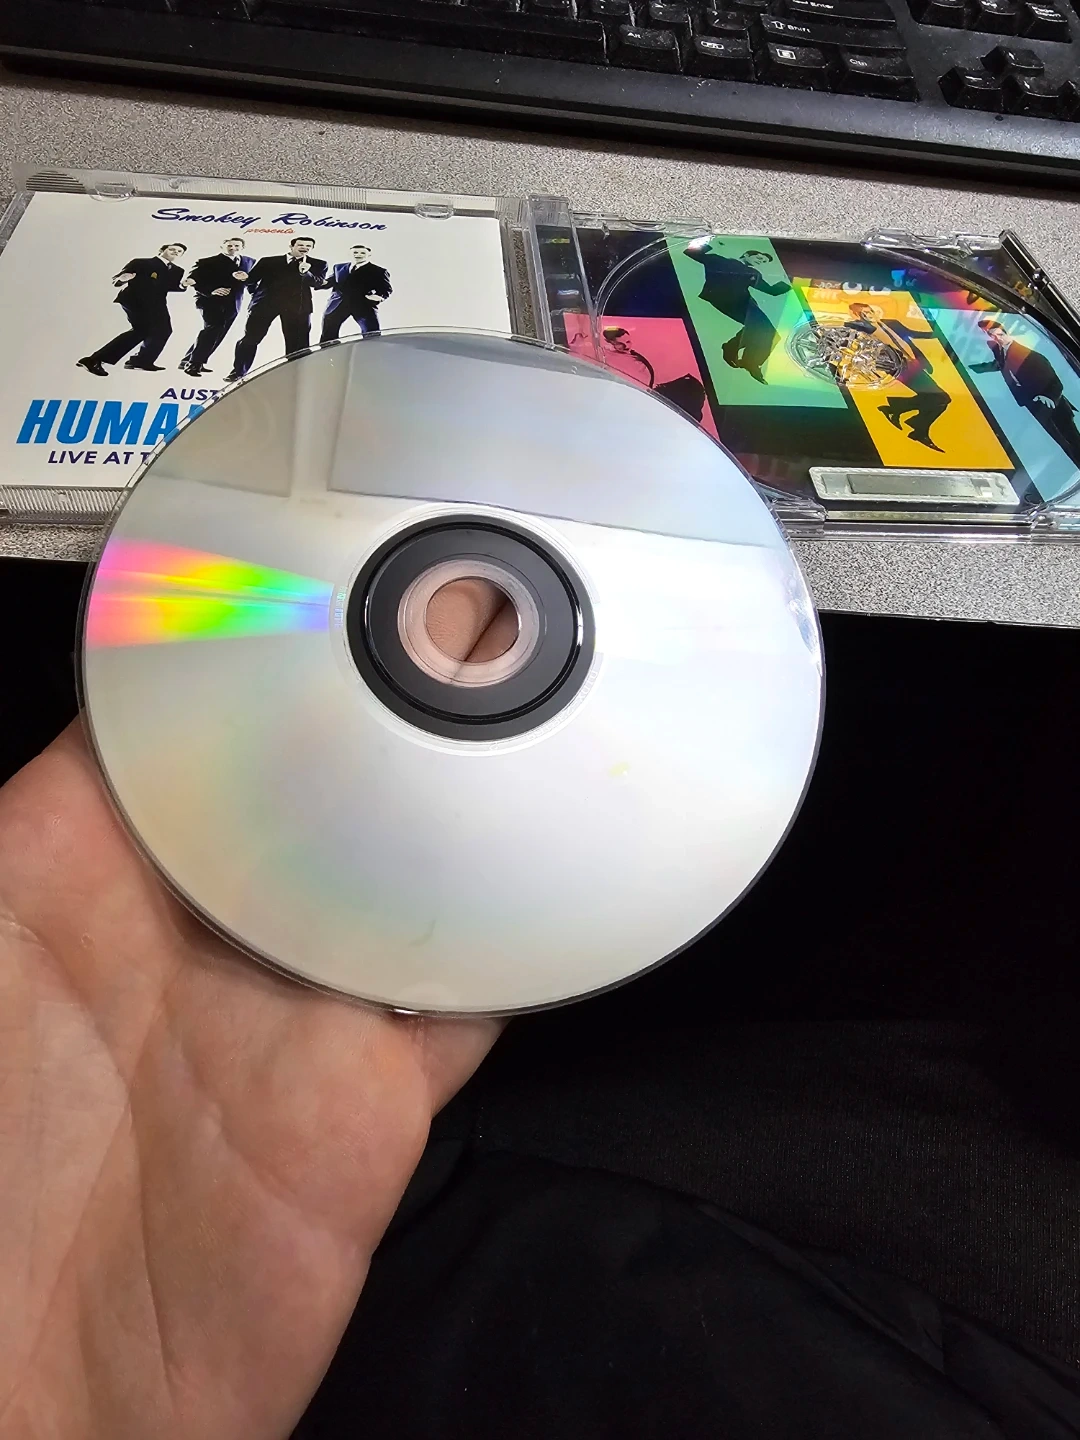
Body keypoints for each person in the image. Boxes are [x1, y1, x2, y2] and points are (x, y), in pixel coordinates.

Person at [972, 316, 1080, 471]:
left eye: (1000, 335)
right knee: (1061, 443)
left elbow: (1055, 382)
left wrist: (1048, 396)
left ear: (1006, 332)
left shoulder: (1029, 355)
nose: (997, 339)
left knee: (1073, 440)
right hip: (1035, 406)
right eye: (993, 336)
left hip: (1054, 406)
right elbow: (1001, 365)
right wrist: (977, 368)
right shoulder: (1001, 351)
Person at [848, 301, 951, 453]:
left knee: (936, 398)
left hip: (913, 363)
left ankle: (898, 411)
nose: (870, 315)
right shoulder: (861, 329)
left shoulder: (891, 323)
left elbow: (911, 334)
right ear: (857, 316)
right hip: (899, 366)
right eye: (865, 313)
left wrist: (936, 333)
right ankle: (912, 423)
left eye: (870, 311)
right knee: (941, 398)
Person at [682, 240, 790, 384]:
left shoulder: (753, 273)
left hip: (746, 304)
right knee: (762, 330)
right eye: (759, 258)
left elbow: (771, 291)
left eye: (763, 261)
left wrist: (789, 282)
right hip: (722, 300)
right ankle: (741, 355)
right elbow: (690, 253)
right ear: (747, 255)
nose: (760, 261)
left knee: (769, 334)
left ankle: (747, 360)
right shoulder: (718, 260)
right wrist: (709, 241)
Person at [225, 237, 328, 382]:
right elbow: (252, 279)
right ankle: (238, 373)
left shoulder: (319, 263)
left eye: (308, 246)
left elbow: (318, 283)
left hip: (298, 307)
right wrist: (244, 278)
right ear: (291, 246)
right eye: (301, 245)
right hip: (264, 304)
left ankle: (296, 375)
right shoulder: (268, 261)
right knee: (251, 338)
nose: (304, 247)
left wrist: (305, 273)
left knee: (298, 343)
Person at [77, 242, 188, 376]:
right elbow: (118, 279)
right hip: (135, 300)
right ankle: (93, 360)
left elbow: (170, 286)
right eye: (172, 249)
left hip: (157, 303)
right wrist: (122, 279)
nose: (176, 252)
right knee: (141, 330)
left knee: (164, 331)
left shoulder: (178, 270)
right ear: (162, 250)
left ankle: (141, 361)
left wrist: (183, 285)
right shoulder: (141, 262)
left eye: (179, 251)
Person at [179, 237, 255, 378]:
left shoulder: (249, 261)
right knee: (213, 328)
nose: (233, 248)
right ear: (222, 247)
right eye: (229, 246)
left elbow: (253, 282)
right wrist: (211, 290)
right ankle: (194, 364)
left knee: (219, 332)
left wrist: (247, 280)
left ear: (242, 247)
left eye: (236, 246)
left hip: (234, 303)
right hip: (209, 301)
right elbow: (193, 279)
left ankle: (187, 360)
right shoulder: (207, 261)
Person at [319, 244, 392, 343]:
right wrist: (318, 281)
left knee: (371, 333)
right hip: (338, 304)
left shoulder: (379, 271)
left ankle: (371, 350)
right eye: (355, 252)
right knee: (328, 334)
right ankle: (329, 351)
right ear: (350, 254)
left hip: (363, 305)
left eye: (362, 253)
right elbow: (330, 282)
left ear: (369, 255)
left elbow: (386, 289)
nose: (358, 255)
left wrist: (379, 297)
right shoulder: (338, 267)